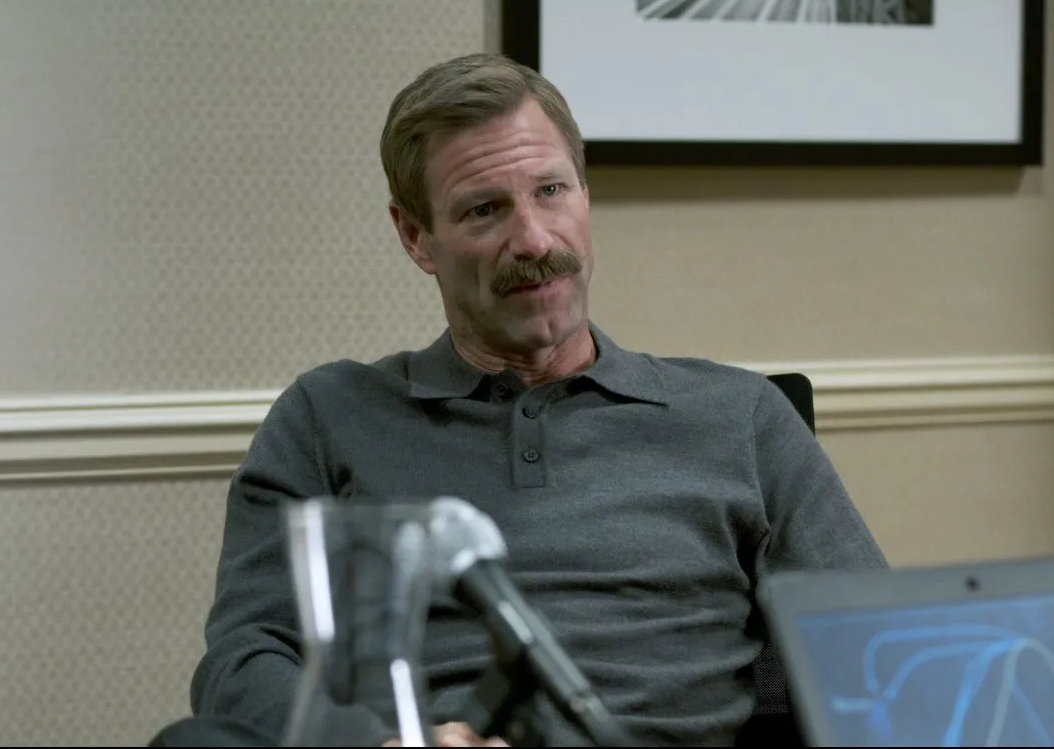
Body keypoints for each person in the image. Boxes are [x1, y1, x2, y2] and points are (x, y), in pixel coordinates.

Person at [186, 53, 887, 747]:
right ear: (416, 236)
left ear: (585, 195)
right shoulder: (328, 417)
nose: (532, 239)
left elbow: (878, 651)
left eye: (550, 191)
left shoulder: (740, 416)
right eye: (484, 210)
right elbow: (243, 662)